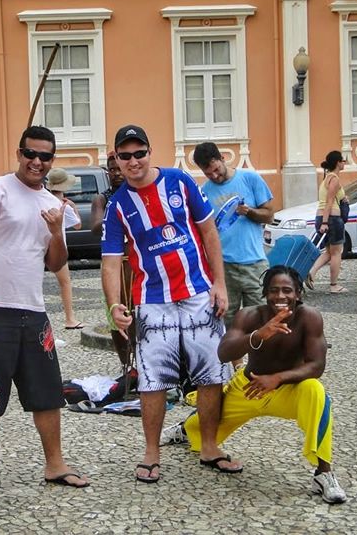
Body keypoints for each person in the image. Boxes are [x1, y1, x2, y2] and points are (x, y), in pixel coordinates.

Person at [101, 125, 240, 484]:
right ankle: (151, 452)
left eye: (139, 153)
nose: (134, 161)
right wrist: (114, 305)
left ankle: (209, 446)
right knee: (153, 380)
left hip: (198, 292)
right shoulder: (117, 205)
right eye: (125, 156)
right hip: (152, 301)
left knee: (212, 373)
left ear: (150, 152)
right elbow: (111, 262)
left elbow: (208, 231)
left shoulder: (180, 181)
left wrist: (220, 284)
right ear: (117, 159)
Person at [0, 125, 88, 507]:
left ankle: (55, 464)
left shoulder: (53, 205)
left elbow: (56, 262)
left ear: (52, 160)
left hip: (33, 310)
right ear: (19, 153)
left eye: (45, 156)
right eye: (30, 153)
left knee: (47, 392)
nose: (36, 161)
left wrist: (57, 231)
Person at [169, 266, 348, 504]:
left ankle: (324, 473)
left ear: (298, 294)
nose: (280, 296)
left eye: (287, 291)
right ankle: (184, 429)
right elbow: (224, 353)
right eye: (274, 290)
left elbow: (316, 366)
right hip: (250, 388)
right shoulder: (250, 316)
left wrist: (277, 378)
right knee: (204, 424)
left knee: (316, 392)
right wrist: (258, 335)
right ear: (265, 293)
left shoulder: (309, 317)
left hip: (288, 389)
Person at [193, 142, 275, 368]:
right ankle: (238, 368)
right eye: (208, 173)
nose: (214, 176)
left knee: (261, 317)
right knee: (226, 320)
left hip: (254, 263)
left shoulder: (250, 179)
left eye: (216, 169)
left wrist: (249, 211)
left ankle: (261, 366)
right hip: (224, 266)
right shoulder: (205, 192)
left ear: (222, 158)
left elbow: (269, 214)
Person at [90, 153, 134, 367]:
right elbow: (95, 227)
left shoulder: (136, 193)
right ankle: (127, 366)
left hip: (137, 263)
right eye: (112, 169)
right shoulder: (102, 199)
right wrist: (116, 217)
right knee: (116, 312)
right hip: (115, 264)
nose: (116, 173)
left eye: (119, 168)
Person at [46, 167, 83, 330]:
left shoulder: (43, 200)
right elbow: (77, 225)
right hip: (57, 248)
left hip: (39, 247)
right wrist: (73, 207)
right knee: (65, 283)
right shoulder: (64, 205)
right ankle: (70, 319)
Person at [308, 151, 348, 294]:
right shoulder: (334, 179)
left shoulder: (327, 178)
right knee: (337, 253)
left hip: (323, 217)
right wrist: (325, 222)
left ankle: (311, 272)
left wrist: (343, 199)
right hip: (331, 219)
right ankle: (334, 285)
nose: (344, 163)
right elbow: (329, 202)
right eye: (343, 161)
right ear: (338, 162)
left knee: (329, 252)